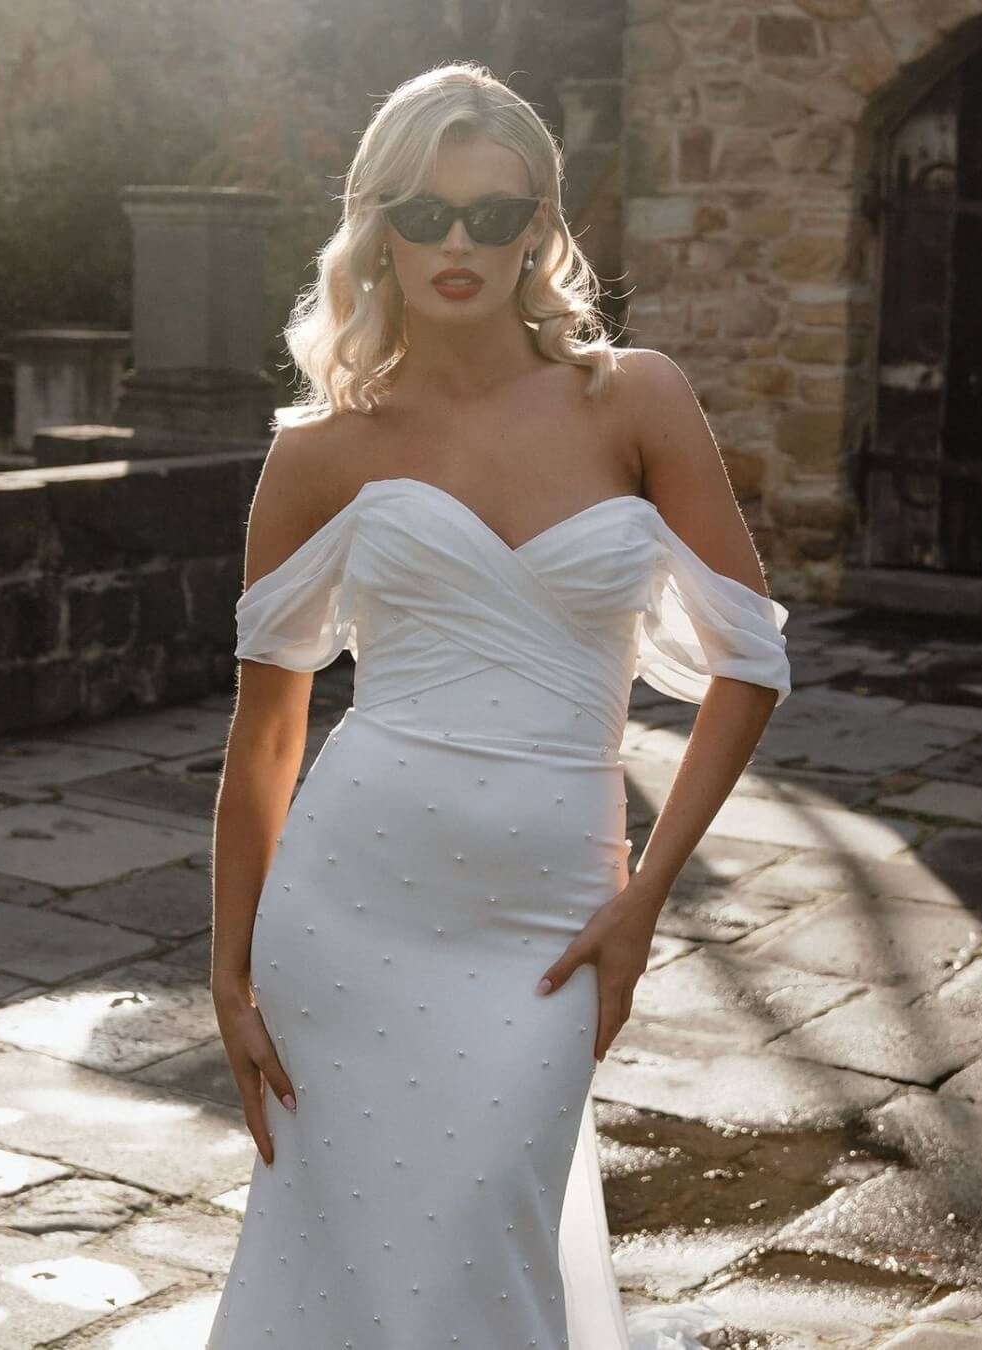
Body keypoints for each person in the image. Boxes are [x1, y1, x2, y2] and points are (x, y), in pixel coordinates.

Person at [206, 59, 791, 1350]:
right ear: (378, 226)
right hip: (350, 910)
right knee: (350, 1261)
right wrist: (231, 971)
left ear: (541, 224)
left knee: (487, 1236)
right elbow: (268, 730)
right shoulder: (322, 448)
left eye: (490, 211)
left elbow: (750, 662)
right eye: (423, 214)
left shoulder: (636, 396)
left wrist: (648, 899)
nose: (456, 242)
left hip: (547, 918)